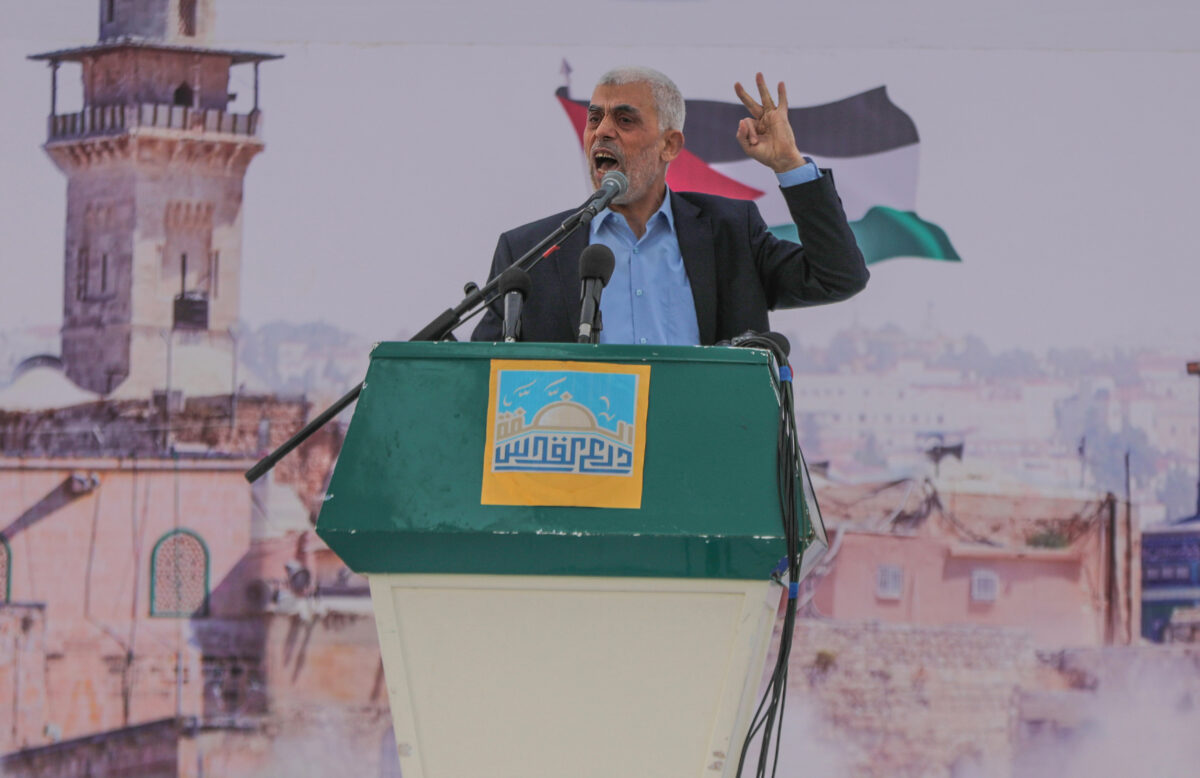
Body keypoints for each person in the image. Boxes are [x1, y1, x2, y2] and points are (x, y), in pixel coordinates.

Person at [470, 66, 869, 345]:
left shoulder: (731, 231)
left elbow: (839, 277)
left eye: (625, 120)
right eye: (595, 119)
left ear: (670, 145)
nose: (602, 131)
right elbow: (481, 377)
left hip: (702, 452)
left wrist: (789, 166)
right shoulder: (530, 252)